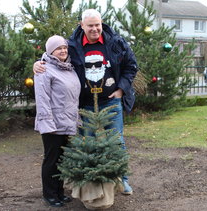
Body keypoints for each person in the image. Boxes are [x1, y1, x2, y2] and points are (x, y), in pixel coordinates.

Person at [33, 9, 138, 195]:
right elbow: (56, 56)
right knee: (85, 145)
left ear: (101, 23)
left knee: (117, 142)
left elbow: (131, 65)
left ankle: (123, 180)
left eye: (97, 24)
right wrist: (39, 62)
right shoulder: (72, 45)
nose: (95, 29)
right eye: (90, 25)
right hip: (83, 106)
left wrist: (121, 88)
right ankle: (87, 184)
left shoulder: (116, 42)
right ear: (82, 25)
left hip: (111, 102)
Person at [34, 35, 81, 207]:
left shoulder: (69, 68)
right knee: (51, 159)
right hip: (52, 124)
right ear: (50, 51)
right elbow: (42, 99)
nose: (63, 51)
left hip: (67, 122)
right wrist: (47, 124)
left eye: (64, 48)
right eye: (58, 48)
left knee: (61, 160)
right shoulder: (44, 70)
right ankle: (49, 194)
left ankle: (59, 192)